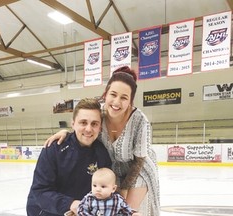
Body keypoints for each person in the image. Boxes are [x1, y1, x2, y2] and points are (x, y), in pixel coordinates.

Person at [45, 66, 160, 216]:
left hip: (138, 170)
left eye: (124, 97)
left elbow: (138, 162)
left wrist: (123, 189)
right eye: (113, 94)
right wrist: (67, 132)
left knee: (127, 211)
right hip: (111, 171)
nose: (117, 102)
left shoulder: (140, 121)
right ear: (105, 94)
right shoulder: (98, 112)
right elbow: (83, 126)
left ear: (130, 101)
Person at [26, 98, 112, 216]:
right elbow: (40, 191)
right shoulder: (54, 148)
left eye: (94, 124)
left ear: (100, 127)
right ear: (73, 124)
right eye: (83, 122)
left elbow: (107, 190)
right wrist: (70, 204)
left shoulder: (102, 154)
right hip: (46, 212)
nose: (88, 129)